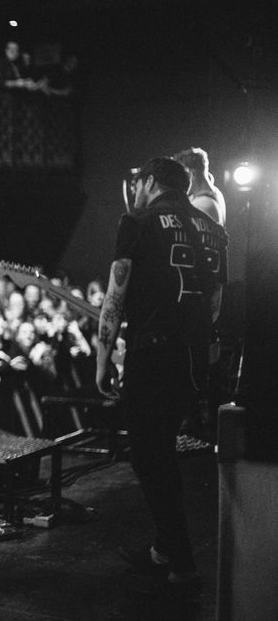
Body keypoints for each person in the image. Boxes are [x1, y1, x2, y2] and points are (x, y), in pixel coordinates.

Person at [95, 156, 228, 598]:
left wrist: (103, 359)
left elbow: (116, 296)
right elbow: (214, 304)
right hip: (193, 359)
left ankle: (182, 563)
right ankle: (164, 551)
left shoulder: (137, 222)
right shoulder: (214, 228)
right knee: (163, 452)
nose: (134, 190)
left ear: (150, 182)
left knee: (150, 458)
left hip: (152, 354)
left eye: (138, 183)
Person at [174, 147, 226, 226]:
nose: (178, 181)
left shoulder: (201, 205)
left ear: (191, 174)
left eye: (180, 175)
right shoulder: (216, 193)